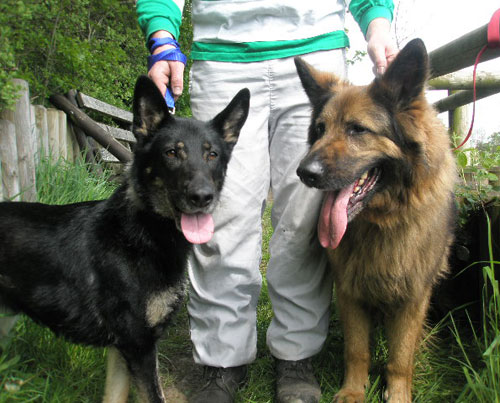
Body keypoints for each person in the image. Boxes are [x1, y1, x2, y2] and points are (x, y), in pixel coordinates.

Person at [136, 1, 397, 402]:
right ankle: (222, 361)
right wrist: (162, 37)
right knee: (218, 220)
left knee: (305, 221)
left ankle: (296, 356)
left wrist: (378, 25)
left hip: (315, 54)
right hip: (223, 55)